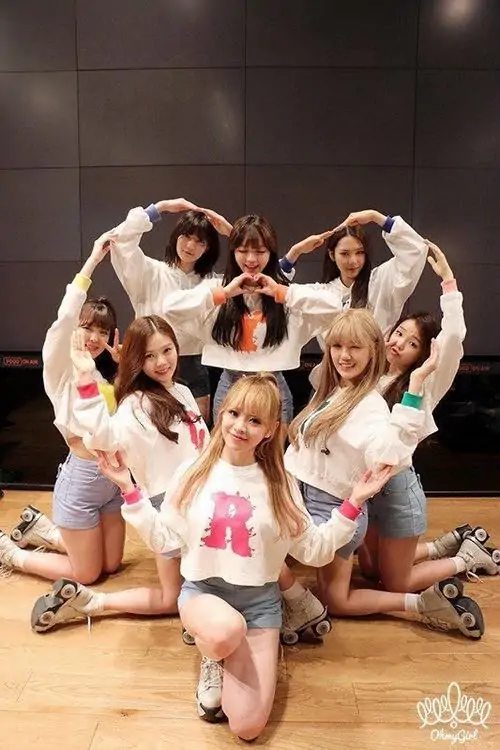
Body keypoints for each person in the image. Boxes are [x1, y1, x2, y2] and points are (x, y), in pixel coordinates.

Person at [95, 374, 393, 737]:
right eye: (234, 413)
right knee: (225, 630)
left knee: (248, 727)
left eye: (254, 420)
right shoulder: (191, 473)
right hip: (204, 595)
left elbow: (313, 550)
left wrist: (355, 501)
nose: (240, 426)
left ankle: (239, 648)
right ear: (221, 413)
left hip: (260, 605)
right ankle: (213, 652)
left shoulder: (280, 485)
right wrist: (128, 488)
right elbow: (163, 538)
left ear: (270, 430)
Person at [281, 246, 486, 640]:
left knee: (393, 579)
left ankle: (462, 561)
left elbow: (388, 452)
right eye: (398, 333)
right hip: (361, 490)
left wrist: (448, 284)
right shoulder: (354, 382)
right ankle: (443, 546)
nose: (400, 343)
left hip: (391, 488)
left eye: (412, 343)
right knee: (374, 570)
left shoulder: (410, 387)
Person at [30, 315, 208, 634]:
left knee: (204, 583)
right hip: (169, 509)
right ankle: (93, 602)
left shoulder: (181, 390)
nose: (161, 362)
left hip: (204, 499)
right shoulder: (136, 405)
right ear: (138, 360)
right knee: (173, 597)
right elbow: (101, 436)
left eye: (166, 350)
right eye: (149, 356)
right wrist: (85, 376)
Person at [0, 233, 125, 584]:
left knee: (111, 565)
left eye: (103, 331)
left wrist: (124, 368)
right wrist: (93, 260)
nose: (95, 338)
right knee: (87, 574)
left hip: (112, 480)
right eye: (88, 328)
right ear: (75, 328)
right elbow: (67, 313)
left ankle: (42, 530)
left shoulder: (97, 372)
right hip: (82, 478)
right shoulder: (60, 364)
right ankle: (11, 553)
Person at [161, 214, 341, 425]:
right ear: (233, 252)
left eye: (260, 251)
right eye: (243, 250)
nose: (251, 259)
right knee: (227, 444)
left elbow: (334, 306)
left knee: (273, 446)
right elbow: (170, 308)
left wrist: (282, 292)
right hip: (231, 386)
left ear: (271, 253)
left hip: (273, 386)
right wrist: (224, 293)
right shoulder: (219, 288)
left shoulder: (286, 294)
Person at [109, 198, 221, 422]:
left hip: (194, 365)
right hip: (150, 363)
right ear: (176, 236)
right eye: (186, 236)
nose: (190, 246)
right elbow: (120, 241)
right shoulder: (150, 272)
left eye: (199, 241)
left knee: (197, 432)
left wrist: (229, 231)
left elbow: (256, 272)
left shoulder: (214, 282)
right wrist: (160, 208)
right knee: (149, 426)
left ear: (208, 247)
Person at [280, 208, 428, 337]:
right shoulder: (323, 293)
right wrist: (295, 252)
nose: (353, 261)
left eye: (359, 252)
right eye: (345, 254)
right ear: (332, 255)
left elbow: (415, 251)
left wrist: (375, 216)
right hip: (333, 361)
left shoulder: (381, 281)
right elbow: (273, 290)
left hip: (377, 360)